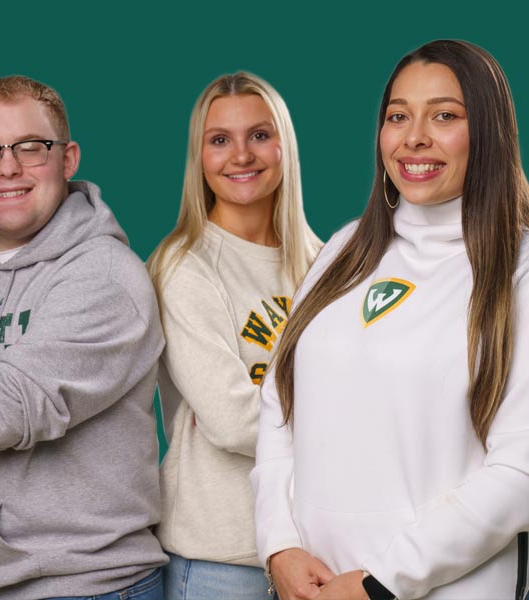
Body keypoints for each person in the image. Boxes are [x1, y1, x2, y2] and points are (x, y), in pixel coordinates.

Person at [251, 39, 529, 600]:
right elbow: (280, 407)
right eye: (397, 116)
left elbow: (521, 471)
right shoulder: (345, 248)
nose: (414, 136)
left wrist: (383, 582)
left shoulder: (517, 269)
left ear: (490, 134)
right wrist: (278, 545)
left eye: (445, 115)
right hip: (315, 589)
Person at [0, 76, 167, 600]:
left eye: (29, 148)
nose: (7, 168)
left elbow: (1, 416)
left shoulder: (105, 276)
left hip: (84, 586)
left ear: (68, 158)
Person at [148, 72, 320, 599]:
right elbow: (231, 420)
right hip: (223, 561)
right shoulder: (183, 266)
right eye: (219, 140)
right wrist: (351, 431)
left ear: (284, 145)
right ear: (199, 158)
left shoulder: (327, 264)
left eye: (259, 135)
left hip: (317, 549)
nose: (241, 155)